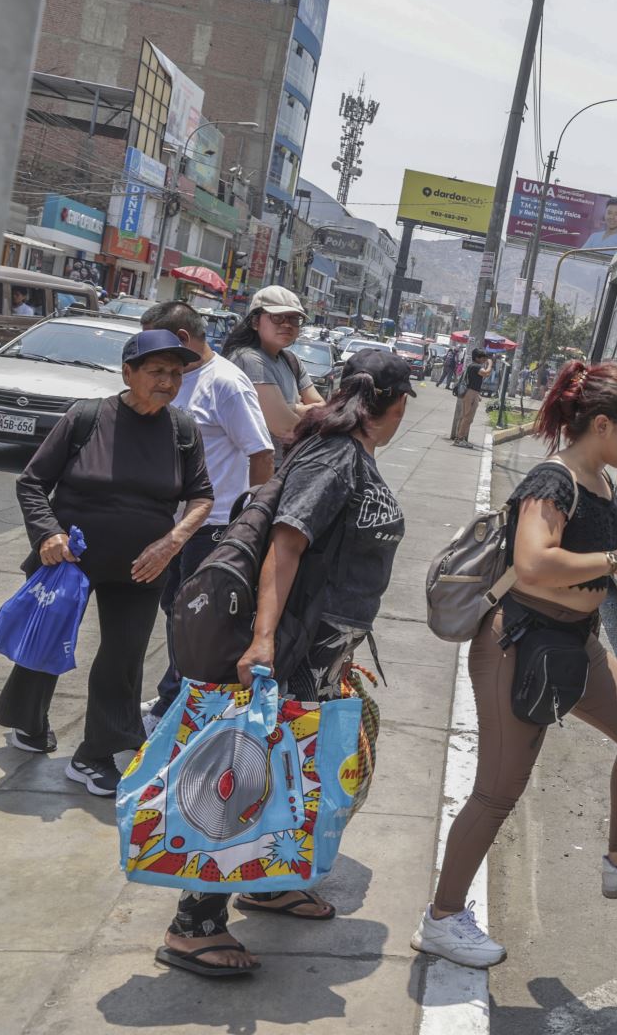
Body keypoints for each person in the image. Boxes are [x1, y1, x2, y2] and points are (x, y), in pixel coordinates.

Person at [416, 362, 617, 969]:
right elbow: (535, 563)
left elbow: (587, 559)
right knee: (497, 791)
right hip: (522, 644)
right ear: (601, 423)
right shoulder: (553, 480)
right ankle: (441, 918)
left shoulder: (601, 480)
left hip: (576, 642)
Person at [158, 349, 414, 977]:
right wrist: (264, 641)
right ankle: (194, 924)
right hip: (293, 650)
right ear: (396, 402)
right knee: (250, 777)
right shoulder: (337, 456)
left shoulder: (352, 453)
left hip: (323, 653)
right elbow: (287, 543)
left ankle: (269, 882)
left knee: (301, 774)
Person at [0, 331, 213, 794]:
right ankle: (28, 724)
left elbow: (201, 497)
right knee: (46, 640)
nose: (168, 381)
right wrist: (49, 533)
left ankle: (96, 754)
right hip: (70, 558)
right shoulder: (87, 417)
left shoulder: (182, 430)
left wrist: (172, 542)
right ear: (128, 372)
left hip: (143, 565)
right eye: (156, 371)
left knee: (124, 655)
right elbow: (32, 483)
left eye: (175, 373)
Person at [138, 302, 276, 731]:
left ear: (181, 339)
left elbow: (262, 452)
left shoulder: (226, 384)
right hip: (168, 523)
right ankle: (172, 694)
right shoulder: (172, 379)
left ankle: (176, 705)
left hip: (213, 526)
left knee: (197, 620)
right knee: (173, 611)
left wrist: (250, 519)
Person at [222, 285, 323, 461]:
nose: (286, 324)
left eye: (293, 319)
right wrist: (298, 407)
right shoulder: (249, 359)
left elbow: (322, 408)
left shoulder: (291, 360)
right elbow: (286, 428)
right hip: (254, 472)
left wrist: (291, 408)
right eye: (277, 317)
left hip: (284, 465)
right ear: (255, 321)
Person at [449, 349, 490, 447]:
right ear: (477, 358)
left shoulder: (474, 366)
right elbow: (486, 373)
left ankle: (461, 438)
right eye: (483, 358)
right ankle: (459, 439)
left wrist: (477, 395)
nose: (484, 360)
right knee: (467, 417)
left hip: (473, 393)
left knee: (468, 418)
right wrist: (490, 364)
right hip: (470, 393)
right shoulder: (475, 366)